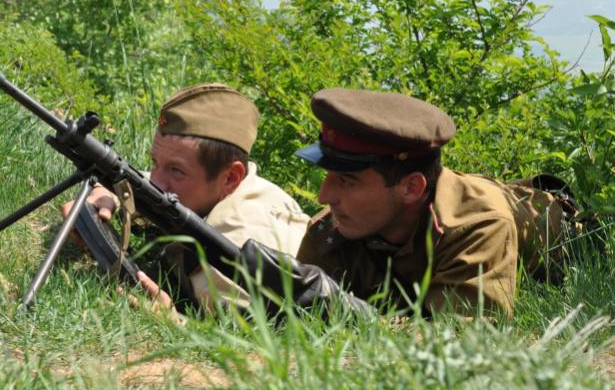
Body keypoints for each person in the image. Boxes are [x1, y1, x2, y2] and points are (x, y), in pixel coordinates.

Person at [292, 88, 577, 317]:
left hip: (558, 227)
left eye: (346, 181)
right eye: (328, 176)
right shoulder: (333, 230)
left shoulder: (479, 225)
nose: (324, 196)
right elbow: (294, 319)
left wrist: (355, 315)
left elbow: (459, 339)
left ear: (411, 187)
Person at [63, 83, 310, 309]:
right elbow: (147, 181)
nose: (157, 182)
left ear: (230, 177)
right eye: (156, 163)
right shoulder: (242, 186)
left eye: (176, 170)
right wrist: (105, 191)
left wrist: (172, 320)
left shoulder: (229, 258)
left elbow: (248, 338)